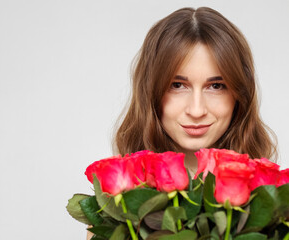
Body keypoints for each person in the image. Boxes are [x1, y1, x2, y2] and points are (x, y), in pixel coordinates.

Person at [88, 6, 277, 239]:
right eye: (177, 85)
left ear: (239, 95)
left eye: (216, 86)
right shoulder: (113, 212)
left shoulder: (275, 208)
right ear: (151, 92)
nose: (196, 110)